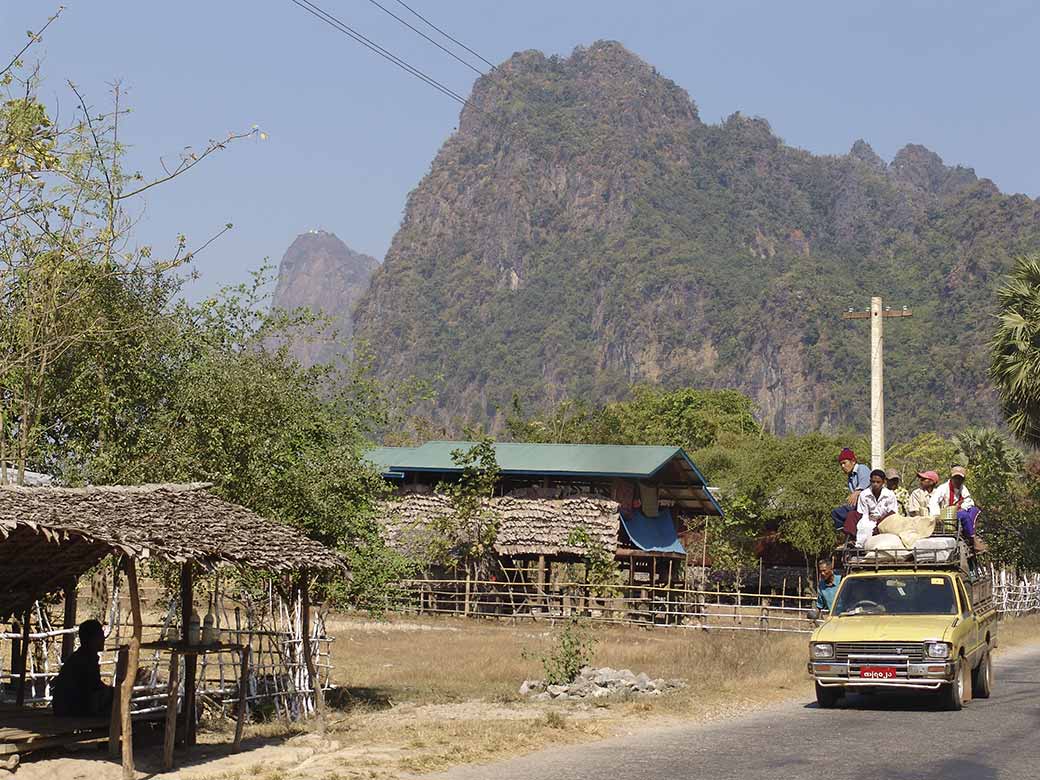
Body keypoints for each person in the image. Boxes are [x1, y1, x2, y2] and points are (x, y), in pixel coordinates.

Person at [52, 620, 113, 717]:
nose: (103, 639)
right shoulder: (85, 659)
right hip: (71, 709)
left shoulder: (82, 656)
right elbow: (92, 687)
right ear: (92, 639)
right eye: (100, 635)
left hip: (65, 707)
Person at [929, 466, 981, 540]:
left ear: (963, 479)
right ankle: (972, 537)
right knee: (964, 515)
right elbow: (933, 501)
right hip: (946, 514)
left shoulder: (963, 488)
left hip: (958, 511)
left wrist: (962, 507)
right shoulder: (943, 488)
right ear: (951, 478)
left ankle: (970, 531)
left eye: (960, 479)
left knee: (974, 510)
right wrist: (936, 515)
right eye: (955, 478)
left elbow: (969, 501)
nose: (957, 480)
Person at [855, 469, 899, 546]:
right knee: (862, 525)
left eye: (878, 482)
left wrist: (880, 519)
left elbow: (893, 512)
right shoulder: (864, 494)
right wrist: (869, 518)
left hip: (885, 521)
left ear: (883, 482)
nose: (875, 484)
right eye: (873, 482)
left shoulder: (889, 495)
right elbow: (862, 513)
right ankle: (861, 545)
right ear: (870, 481)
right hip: (868, 521)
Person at [831, 448, 872, 531]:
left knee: (851, 515)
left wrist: (856, 493)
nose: (843, 466)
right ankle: (847, 532)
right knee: (836, 512)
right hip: (857, 505)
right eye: (841, 464)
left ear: (853, 461)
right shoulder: (850, 477)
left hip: (867, 505)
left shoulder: (862, 468)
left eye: (844, 463)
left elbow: (865, 483)